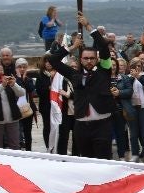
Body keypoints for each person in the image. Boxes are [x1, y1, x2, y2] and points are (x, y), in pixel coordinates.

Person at [48, 12, 115, 159]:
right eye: (86, 58)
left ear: (97, 60)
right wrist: (71, 47)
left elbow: (103, 46)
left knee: (104, 161)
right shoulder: (73, 74)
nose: (89, 61)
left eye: (92, 58)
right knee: (86, 162)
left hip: (102, 125)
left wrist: (88, 26)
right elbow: (53, 60)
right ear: (81, 59)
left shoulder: (104, 70)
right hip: (81, 126)